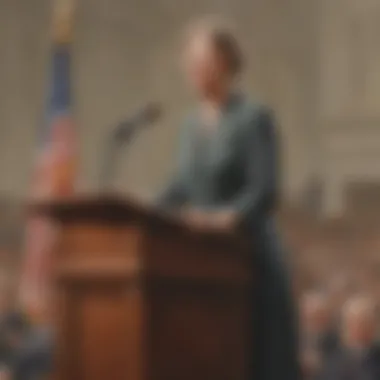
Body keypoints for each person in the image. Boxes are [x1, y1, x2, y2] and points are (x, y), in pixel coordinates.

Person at [156, 17, 300, 380]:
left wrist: (227, 218)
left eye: (198, 61)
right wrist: (147, 213)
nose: (190, 70)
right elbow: (181, 186)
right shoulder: (189, 126)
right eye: (187, 63)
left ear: (223, 63)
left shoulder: (253, 118)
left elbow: (264, 190)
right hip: (203, 261)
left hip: (249, 258)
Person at [320, 295, 380, 380]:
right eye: (356, 323)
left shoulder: (377, 357)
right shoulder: (333, 360)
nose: (361, 329)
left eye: (366, 323)